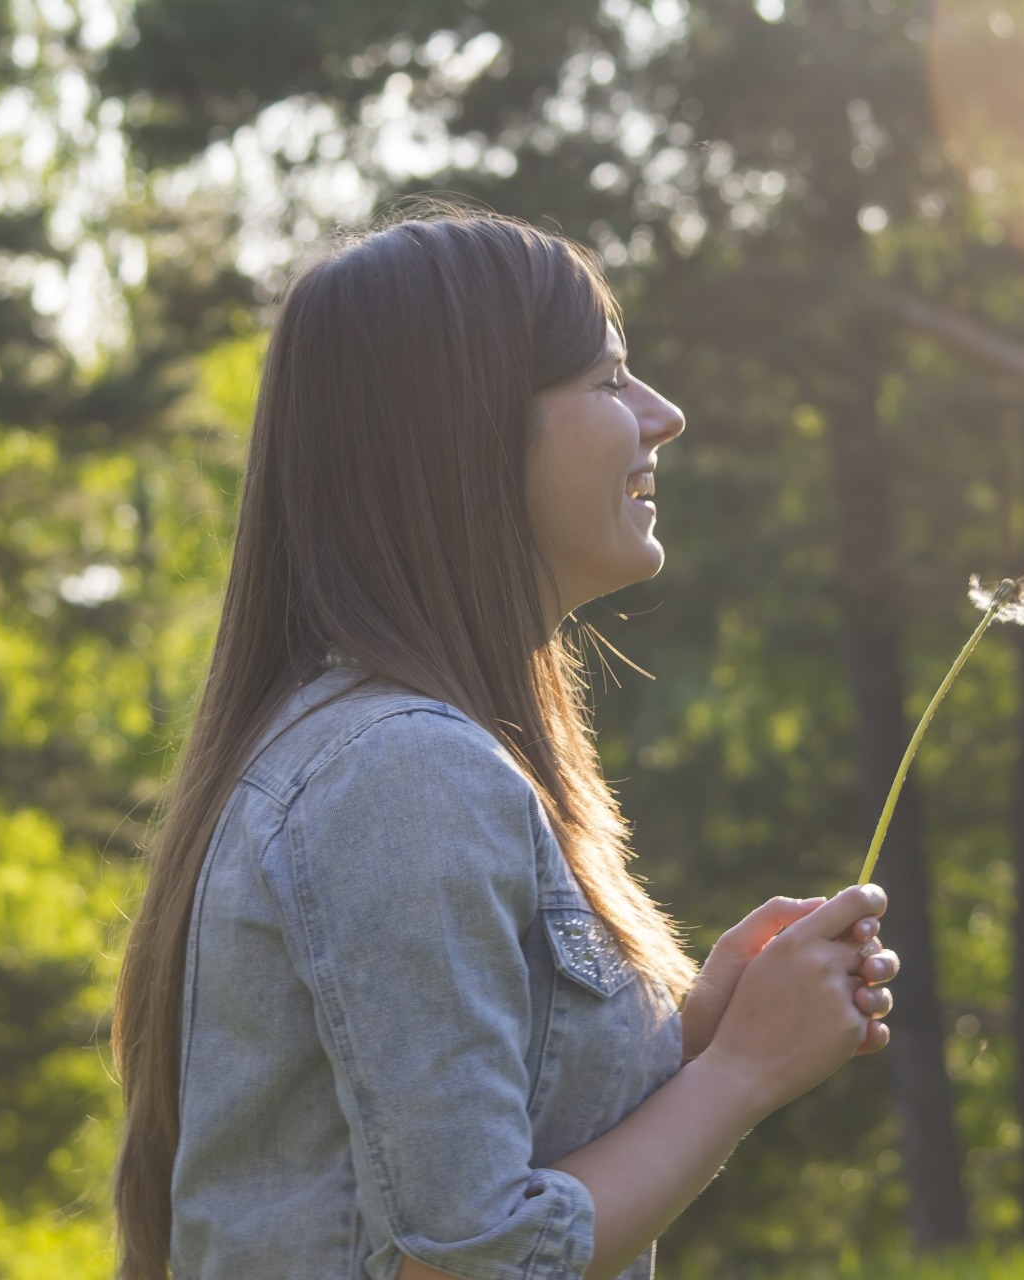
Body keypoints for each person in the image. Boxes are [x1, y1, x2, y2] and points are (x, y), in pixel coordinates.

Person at [110, 204, 901, 1280]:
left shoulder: (392, 753)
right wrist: (743, 1074)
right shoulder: (403, 771)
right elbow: (473, 1255)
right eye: (608, 379)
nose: (663, 414)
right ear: (468, 429)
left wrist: (701, 1039)